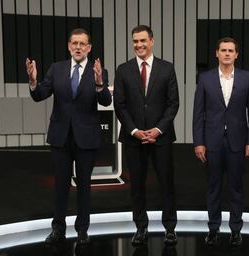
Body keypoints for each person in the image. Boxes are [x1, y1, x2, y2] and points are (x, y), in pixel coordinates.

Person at [25, 28, 112, 246]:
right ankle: (58, 229)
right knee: (61, 185)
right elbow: (39, 95)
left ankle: (82, 230)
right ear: (68, 46)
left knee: (84, 186)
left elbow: (105, 101)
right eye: (74, 43)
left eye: (82, 44)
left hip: (86, 138)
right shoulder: (57, 69)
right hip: (60, 138)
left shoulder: (99, 71)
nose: (78, 47)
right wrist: (33, 81)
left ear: (89, 48)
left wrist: (100, 82)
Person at [113, 25, 179, 246]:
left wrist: (157, 130)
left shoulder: (167, 68)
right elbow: (120, 105)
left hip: (161, 138)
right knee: (137, 186)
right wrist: (135, 131)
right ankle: (140, 228)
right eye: (135, 41)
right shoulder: (123, 69)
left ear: (152, 41)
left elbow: (173, 104)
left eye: (142, 40)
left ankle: (170, 228)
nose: (138, 45)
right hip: (134, 138)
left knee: (166, 184)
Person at [193, 37, 249, 246]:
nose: (227, 54)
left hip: (238, 141)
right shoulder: (205, 78)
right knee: (213, 187)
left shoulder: (247, 78)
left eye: (231, 50)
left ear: (236, 55)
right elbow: (198, 113)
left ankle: (236, 230)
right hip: (211, 141)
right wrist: (198, 142)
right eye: (223, 50)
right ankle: (213, 229)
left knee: (236, 187)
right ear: (217, 53)